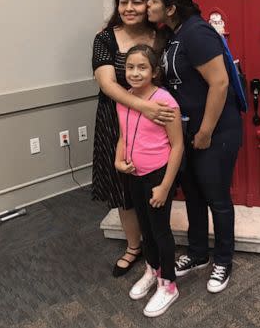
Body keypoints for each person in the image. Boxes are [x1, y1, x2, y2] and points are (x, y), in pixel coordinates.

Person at [147, 0, 243, 293]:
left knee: (217, 198)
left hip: (214, 132)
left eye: (153, 0)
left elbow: (219, 84)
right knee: (194, 195)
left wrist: (205, 132)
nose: (149, 5)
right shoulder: (175, 34)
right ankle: (199, 253)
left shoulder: (197, 33)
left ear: (171, 8)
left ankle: (223, 260)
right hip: (188, 132)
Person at [91, 0, 175, 277]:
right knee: (122, 186)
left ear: (149, 4)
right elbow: (106, 83)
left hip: (157, 124)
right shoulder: (105, 39)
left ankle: (156, 244)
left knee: (152, 183)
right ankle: (133, 246)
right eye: (123, 1)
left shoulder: (163, 37)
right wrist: (143, 107)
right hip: (116, 121)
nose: (129, 7)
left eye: (137, 1)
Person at [114, 44, 184, 317]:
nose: (134, 72)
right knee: (144, 227)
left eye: (142, 67)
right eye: (130, 67)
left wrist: (165, 186)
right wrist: (118, 161)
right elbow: (124, 135)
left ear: (154, 72)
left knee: (160, 231)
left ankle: (168, 283)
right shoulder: (125, 98)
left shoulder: (165, 101)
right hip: (134, 175)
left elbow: (177, 146)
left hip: (157, 176)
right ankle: (152, 270)